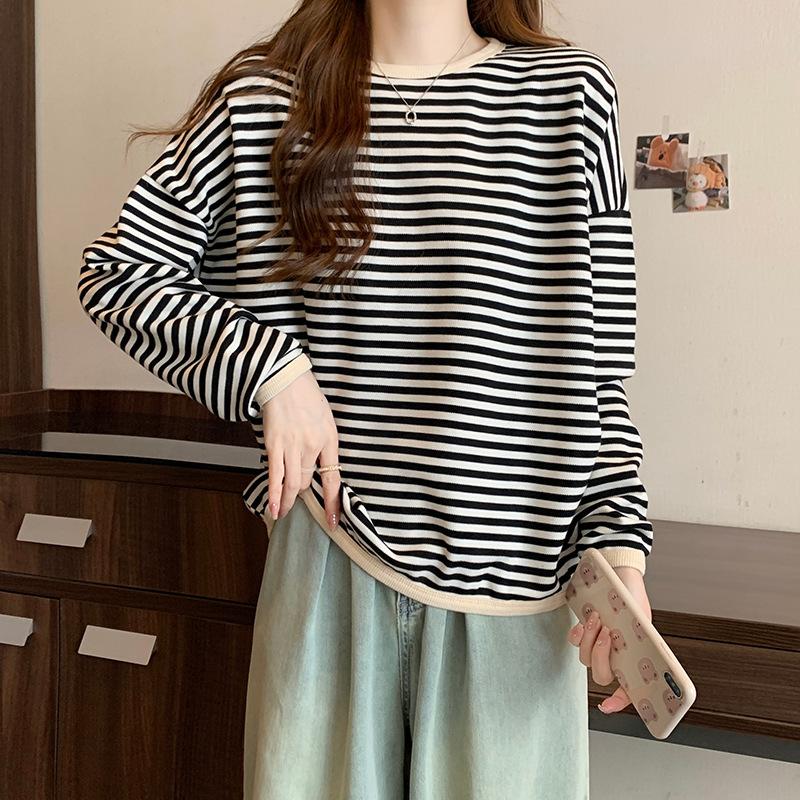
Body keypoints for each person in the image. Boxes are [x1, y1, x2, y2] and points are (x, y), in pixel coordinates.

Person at [77, 1, 655, 797]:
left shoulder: (569, 93)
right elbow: (120, 276)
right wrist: (274, 371)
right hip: (330, 564)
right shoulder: (263, 100)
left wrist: (620, 556)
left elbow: (597, 370)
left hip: (521, 589)